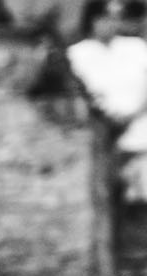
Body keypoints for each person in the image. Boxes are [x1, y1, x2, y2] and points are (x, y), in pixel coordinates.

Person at [72, 0, 147, 200]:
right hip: (103, 135)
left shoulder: (136, 48)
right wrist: (108, 120)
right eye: (106, 18)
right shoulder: (77, 54)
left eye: (116, 18)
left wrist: (134, 113)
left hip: (140, 131)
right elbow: (81, 95)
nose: (112, 23)